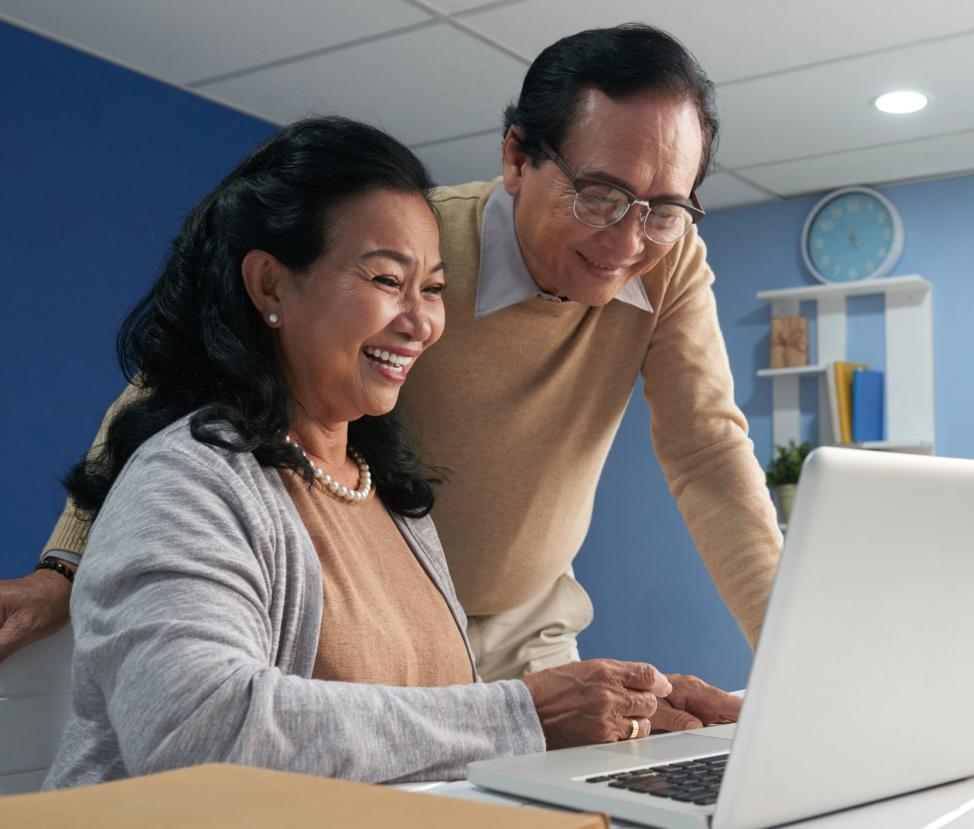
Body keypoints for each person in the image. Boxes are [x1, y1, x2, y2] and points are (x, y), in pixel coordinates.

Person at [3, 24, 782, 710]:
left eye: (663, 208)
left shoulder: (666, 260)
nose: (626, 240)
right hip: (374, 611)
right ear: (517, 157)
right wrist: (65, 563)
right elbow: (179, 372)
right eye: (601, 195)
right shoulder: (414, 243)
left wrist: (795, 657)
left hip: (528, 618)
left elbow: (708, 452)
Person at [44, 116, 738, 789]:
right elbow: (199, 730)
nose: (421, 322)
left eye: (433, 288)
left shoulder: (392, 501)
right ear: (268, 285)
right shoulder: (188, 483)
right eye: (384, 280)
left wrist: (637, 713)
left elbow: (429, 733)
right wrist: (528, 712)